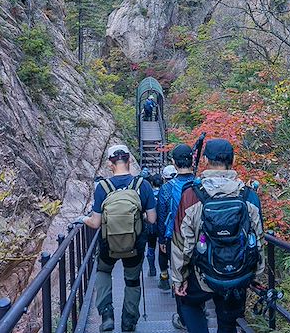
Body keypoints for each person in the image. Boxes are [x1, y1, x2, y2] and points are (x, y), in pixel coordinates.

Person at [170, 139, 265, 333]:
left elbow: (181, 242)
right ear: (233, 159)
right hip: (238, 273)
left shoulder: (191, 195)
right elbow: (258, 239)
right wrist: (255, 273)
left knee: (189, 303)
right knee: (228, 321)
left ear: (204, 160)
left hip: (202, 273)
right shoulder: (249, 196)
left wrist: (179, 278)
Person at [80, 145, 157, 332]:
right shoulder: (142, 185)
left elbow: (95, 223)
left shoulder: (102, 187)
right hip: (135, 244)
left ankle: (107, 315)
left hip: (109, 245)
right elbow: (152, 219)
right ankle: (128, 321)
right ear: (129, 160)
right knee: (132, 280)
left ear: (110, 164)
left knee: (103, 272)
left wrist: (82, 219)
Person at [155, 145, 194, 293]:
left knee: (177, 270)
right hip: (197, 236)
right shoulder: (201, 185)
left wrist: (162, 240)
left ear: (173, 162)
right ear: (192, 161)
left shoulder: (167, 188)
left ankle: (179, 299)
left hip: (174, 236)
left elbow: (162, 215)